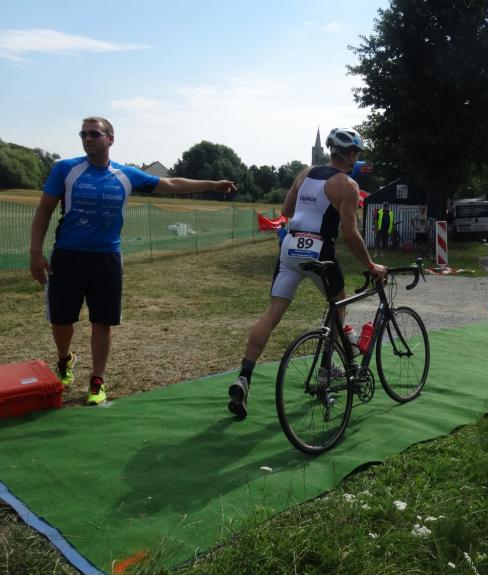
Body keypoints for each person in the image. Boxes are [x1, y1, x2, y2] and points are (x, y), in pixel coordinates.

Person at [29, 116, 237, 406]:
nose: (88, 139)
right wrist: (36, 253)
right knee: (62, 320)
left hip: (107, 259)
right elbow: (43, 211)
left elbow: (170, 183)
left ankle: (97, 381)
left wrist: (212, 184)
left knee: (102, 321)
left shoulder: (125, 174)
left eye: (94, 134)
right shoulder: (65, 169)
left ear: (110, 139)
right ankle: (65, 360)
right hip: (67, 256)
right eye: (83, 134)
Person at [227, 127, 387, 419]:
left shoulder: (305, 173)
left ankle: (244, 377)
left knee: (272, 313)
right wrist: (371, 265)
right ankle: (326, 371)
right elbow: (350, 234)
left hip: (290, 246)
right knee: (338, 305)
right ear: (351, 155)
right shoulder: (348, 185)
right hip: (319, 249)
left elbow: (286, 209)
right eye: (356, 153)